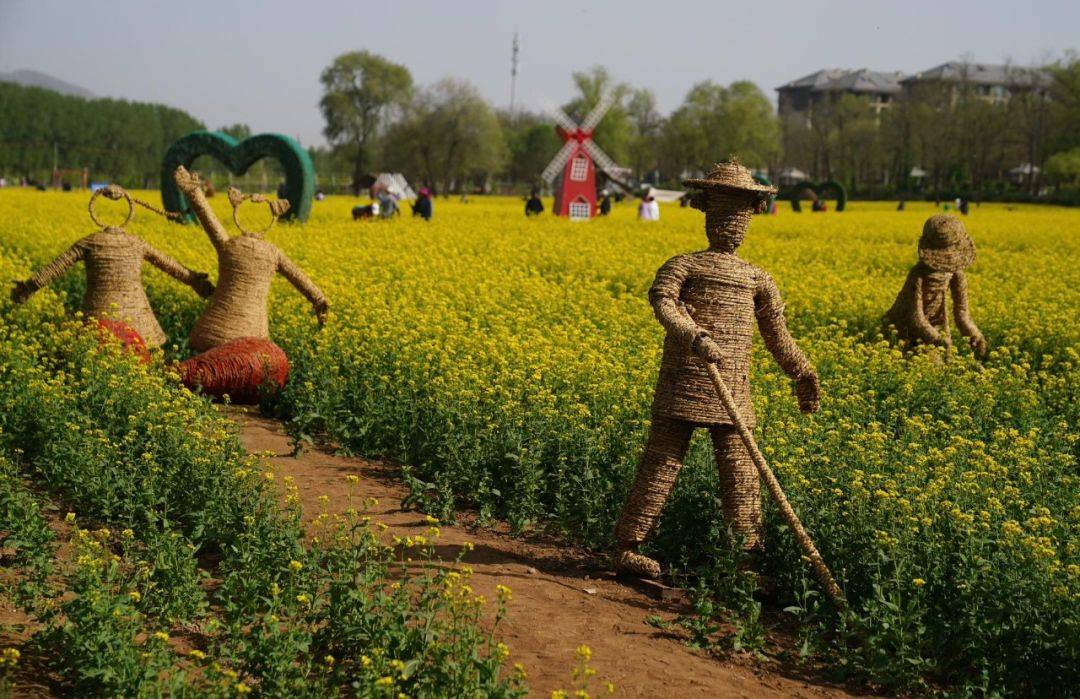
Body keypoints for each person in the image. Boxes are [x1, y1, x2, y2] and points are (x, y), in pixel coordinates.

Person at [612, 160, 820, 580]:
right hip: (684, 383)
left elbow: (777, 336)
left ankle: (745, 561)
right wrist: (693, 335)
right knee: (661, 464)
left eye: (740, 213)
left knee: (741, 474)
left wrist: (802, 371)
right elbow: (663, 302)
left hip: (733, 392)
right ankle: (627, 546)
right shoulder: (683, 266)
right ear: (707, 212)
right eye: (725, 212)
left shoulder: (758, 279)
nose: (732, 223)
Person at [173, 166, 328, 402]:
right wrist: (319, 300)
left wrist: (194, 193)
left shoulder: (229, 245)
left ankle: (194, 383)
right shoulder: (273, 253)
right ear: (274, 217)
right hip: (251, 340)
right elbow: (301, 280)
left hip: (211, 331)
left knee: (206, 368)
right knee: (244, 375)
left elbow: (207, 218)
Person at [10, 184, 214, 349]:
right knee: (139, 351)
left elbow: (55, 268)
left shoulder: (90, 242)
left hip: (97, 313)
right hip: (136, 317)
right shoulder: (136, 243)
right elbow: (169, 265)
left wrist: (29, 287)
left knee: (96, 349)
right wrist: (194, 280)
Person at [883, 214, 987, 358]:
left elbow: (962, 312)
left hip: (937, 324)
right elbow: (916, 316)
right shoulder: (917, 275)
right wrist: (937, 339)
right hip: (902, 328)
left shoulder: (956, 274)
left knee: (945, 363)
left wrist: (975, 335)